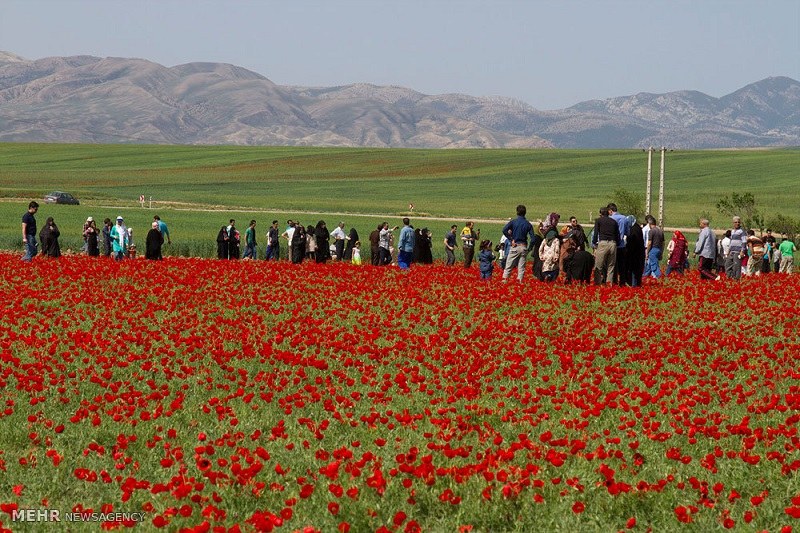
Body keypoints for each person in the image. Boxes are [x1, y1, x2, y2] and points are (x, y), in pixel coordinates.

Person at [501, 205, 536, 282]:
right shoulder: (528, 224)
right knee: (521, 268)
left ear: (517, 212)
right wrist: (529, 248)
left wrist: (511, 239)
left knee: (508, 267)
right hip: (523, 246)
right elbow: (533, 239)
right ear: (525, 213)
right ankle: (519, 284)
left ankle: (504, 283)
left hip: (515, 246)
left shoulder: (513, 222)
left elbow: (504, 230)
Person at [591, 207, 618, 285]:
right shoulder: (613, 221)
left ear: (601, 213)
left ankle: (597, 283)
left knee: (598, 266)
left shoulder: (598, 221)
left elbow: (595, 233)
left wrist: (594, 243)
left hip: (603, 243)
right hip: (613, 243)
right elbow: (617, 234)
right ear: (608, 213)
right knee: (611, 266)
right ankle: (609, 284)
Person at [608, 203, 631, 286]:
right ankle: (622, 282)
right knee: (622, 265)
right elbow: (627, 232)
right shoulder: (624, 218)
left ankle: (613, 282)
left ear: (610, 211)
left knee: (612, 265)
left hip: (612, 244)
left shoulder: (610, 219)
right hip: (622, 245)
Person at [627, 216, 645, 287]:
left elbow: (632, 241)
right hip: (639, 252)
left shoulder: (633, 229)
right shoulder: (638, 228)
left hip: (635, 253)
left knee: (634, 270)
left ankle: (634, 285)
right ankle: (637, 284)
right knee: (637, 270)